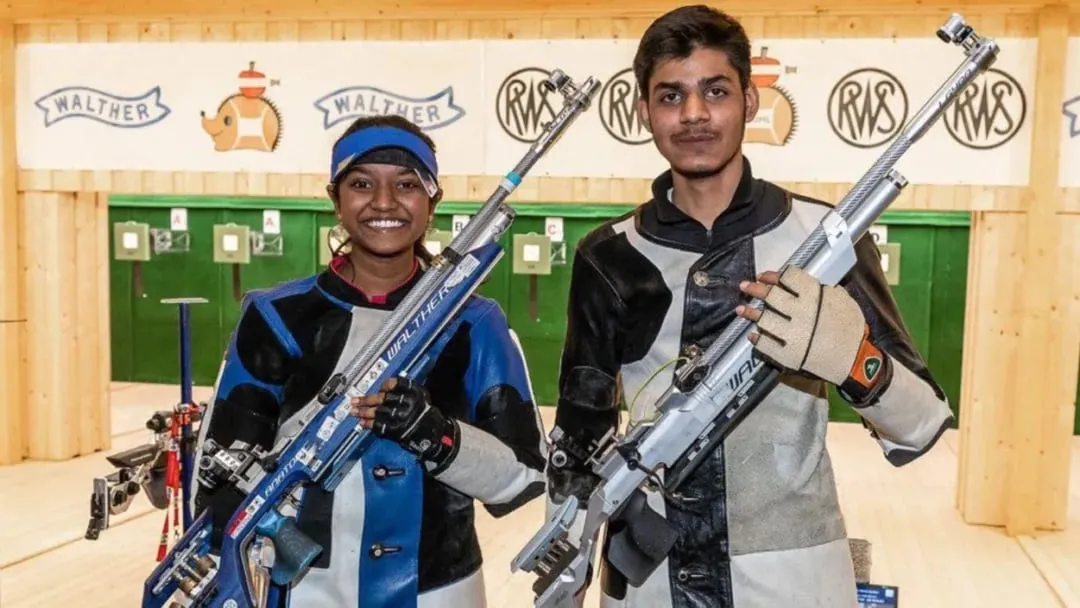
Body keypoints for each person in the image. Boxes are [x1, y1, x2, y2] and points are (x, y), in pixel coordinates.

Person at [544, 5, 955, 608]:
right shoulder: (607, 254)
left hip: (793, 582)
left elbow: (919, 428)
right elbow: (580, 433)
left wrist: (854, 360)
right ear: (643, 112)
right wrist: (566, 571)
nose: (693, 115)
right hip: (648, 580)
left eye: (715, 91)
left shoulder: (827, 239)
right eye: (670, 96)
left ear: (750, 102)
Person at [192, 114, 547, 607]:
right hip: (308, 592)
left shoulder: (475, 322)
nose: (384, 202)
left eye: (406, 184)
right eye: (361, 184)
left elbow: (524, 478)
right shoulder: (275, 317)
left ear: (432, 200)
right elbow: (217, 475)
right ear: (335, 199)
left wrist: (435, 434)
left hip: (441, 593)